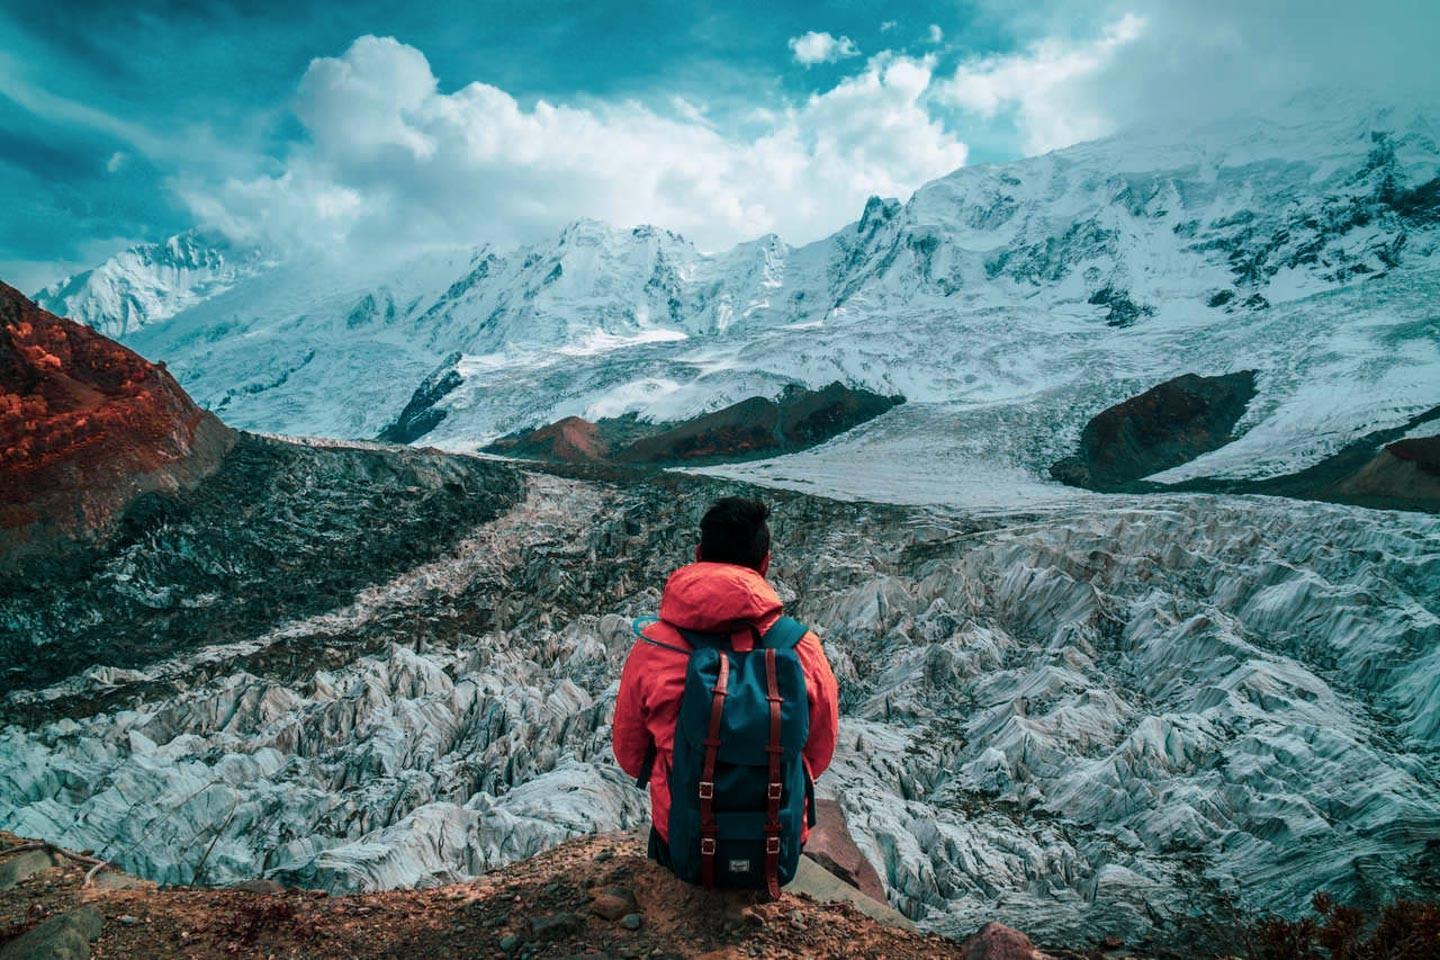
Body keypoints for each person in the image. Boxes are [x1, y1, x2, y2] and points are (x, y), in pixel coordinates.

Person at [611, 496, 840, 891]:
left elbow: (630, 755)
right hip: (774, 841)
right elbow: (817, 754)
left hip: (681, 839)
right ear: (765, 563)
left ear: (699, 555)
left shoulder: (653, 647)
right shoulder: (801, 648)